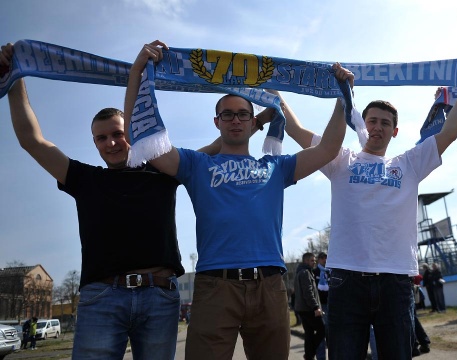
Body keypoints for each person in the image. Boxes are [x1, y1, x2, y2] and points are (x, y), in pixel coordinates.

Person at [124, 41, 352, 359]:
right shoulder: (195, 164)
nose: (235, 120)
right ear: (216, 122)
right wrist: (137, 73)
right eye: (227, 114)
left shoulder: (276, 167)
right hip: (215, 287)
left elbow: (328, 149)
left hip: (269, 286)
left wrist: (344, 98)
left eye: (243, 114)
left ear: (251, 121)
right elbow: (143, 139)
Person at [0, 42, 210, 359]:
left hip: (159, 296)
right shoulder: (85, 179)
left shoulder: (164, 171)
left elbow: (215, 149)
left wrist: (258, 117)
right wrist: (15, 78)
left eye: (118, 133)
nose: (111, 142)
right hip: (102, 298)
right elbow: (32, 141)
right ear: (95, 142)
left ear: (132, 132)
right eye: (102, 137)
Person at [279, 61, 457, 358]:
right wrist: (272, 89)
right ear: (362, 125)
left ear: (395, 131)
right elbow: (297, 130)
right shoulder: (339, 159)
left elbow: (450, 131)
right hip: (346, 281)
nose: (378, 127)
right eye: (372, 121)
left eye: (385, 123)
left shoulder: (409, 164)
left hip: (395, 282)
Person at [295, 253, 326, 360]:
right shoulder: (305, 273)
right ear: (306, 261)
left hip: (302, 308)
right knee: (322, 330)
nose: (314, 263)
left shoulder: (301, 272)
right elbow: (308, 292)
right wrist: (315, 307)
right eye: (312, 261)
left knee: (309, 334)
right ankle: (309, 354)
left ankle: (309, 355)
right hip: (308, 309)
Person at [313, 252, 330, 360]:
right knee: (321, 332)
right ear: (319, 260)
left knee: (331, 332)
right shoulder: (315, 272)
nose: (324, 260)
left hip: (331, 305)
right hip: (320, 305)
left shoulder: (330, 271)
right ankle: (321, 357)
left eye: (326, 258)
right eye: (322, 258)